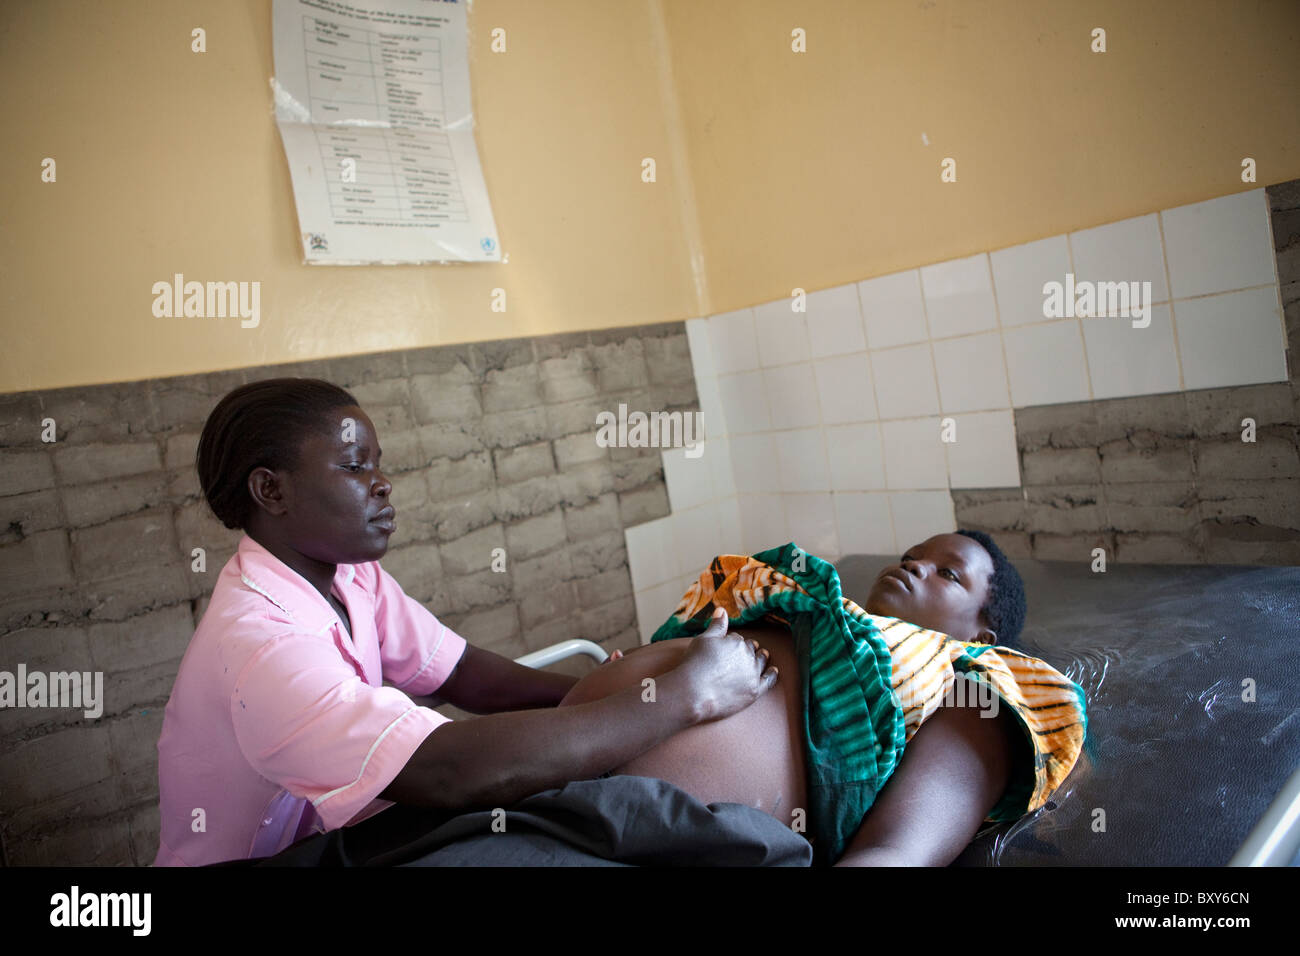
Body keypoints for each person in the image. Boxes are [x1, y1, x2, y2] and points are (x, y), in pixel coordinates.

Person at [153, 378, 777, 867]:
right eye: (353, 467)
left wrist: (611, 692)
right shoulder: (264, 646)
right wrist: (680, 698)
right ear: (271, 491)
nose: (383, 485)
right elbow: (447, 769)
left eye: (378, 465)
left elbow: (463, 674)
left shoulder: (348, 577)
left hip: (337, 835)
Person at [558, 532, 1088, 867]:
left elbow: (897, 856)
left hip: (642, 833)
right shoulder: (814, 612)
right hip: (551, 773)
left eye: (947, 573)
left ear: (982, 636)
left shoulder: (973, 686)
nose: (914, 565)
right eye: (912, 556)